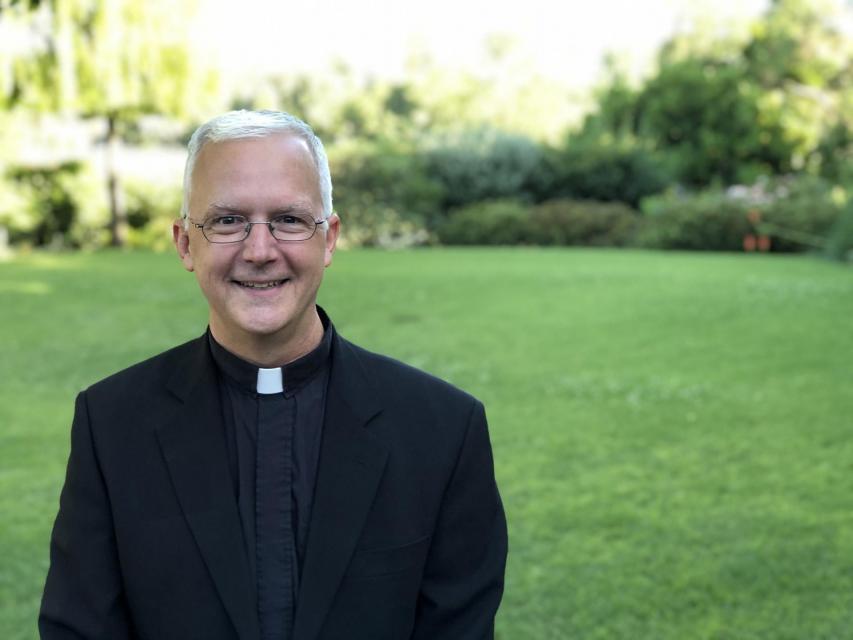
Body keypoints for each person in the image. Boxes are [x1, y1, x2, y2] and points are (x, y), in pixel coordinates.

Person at [39, 110, 507, 640]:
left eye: (288, 219)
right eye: (226, 221)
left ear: (328, 239)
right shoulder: (112, 425)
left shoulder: (442, 431)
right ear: (185, 244)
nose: (259, 251)